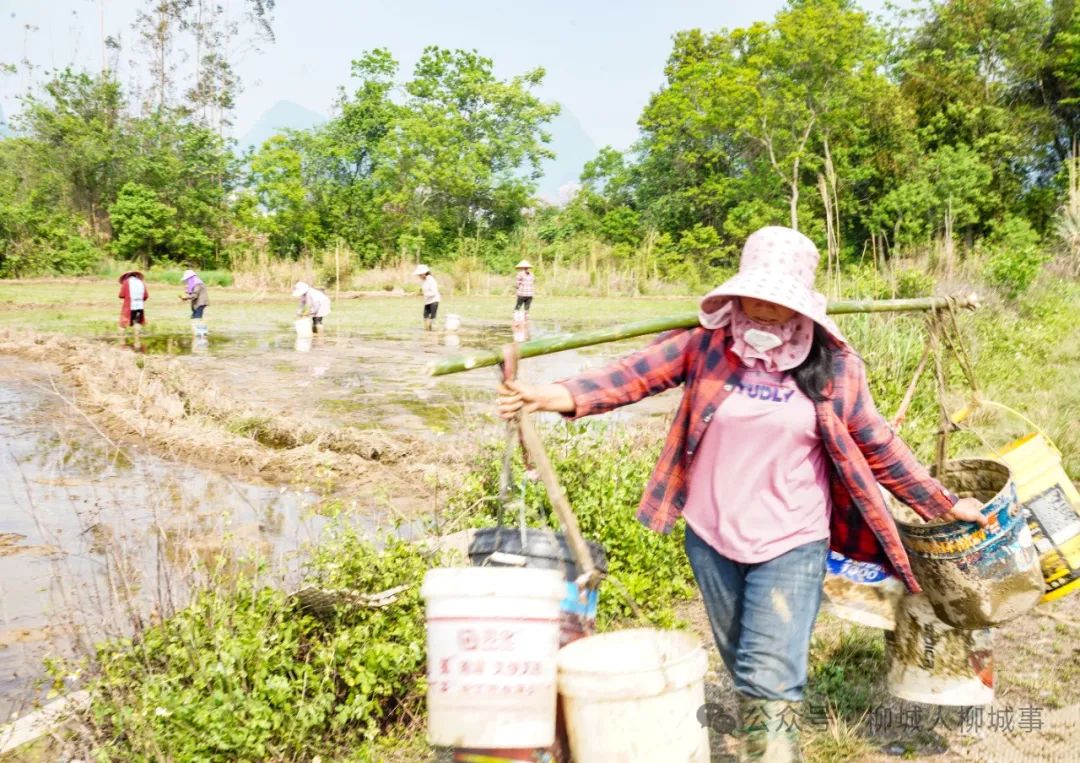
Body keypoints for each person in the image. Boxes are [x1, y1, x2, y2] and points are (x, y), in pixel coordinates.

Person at [497, 226, 986, 762]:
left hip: (793, 540)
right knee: (743, 665)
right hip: (710, 537)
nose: (765, 306)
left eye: (779, 297)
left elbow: (879, 444)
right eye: (756, 293)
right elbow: (629, 376)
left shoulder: (833, 365)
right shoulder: (706, 343)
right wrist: (548, 394)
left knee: (770, 675)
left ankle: (772, 752)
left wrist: (944, 504)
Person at [179, 268, 210, 336]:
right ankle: (199, 332)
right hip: (197, 303)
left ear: (190, 277)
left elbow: (194, 295)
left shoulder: (197, 283)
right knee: (194, 317)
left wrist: (185, 297)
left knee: (197, 318)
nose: (187, 281)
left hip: (201, 303)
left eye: (187, 279)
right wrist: (185, 296)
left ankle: (202, 333)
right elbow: (190, 292)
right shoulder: (193, 282)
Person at [118, 270, 149, 335]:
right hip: (140, 306)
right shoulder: (141, 282)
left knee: (123, 322)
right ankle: (137, 337)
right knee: (137, 322)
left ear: (127, 277)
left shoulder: (126, 282)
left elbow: (121, 295)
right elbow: (146, 296)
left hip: (130, 306)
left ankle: (121, 337)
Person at [415, 264, 440, 331]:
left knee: (432, 317)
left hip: (434, 300)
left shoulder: (431, 280)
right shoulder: (423, 280)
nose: (419, 276)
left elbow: (434, 292)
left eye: (420, 274)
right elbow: (424, 288)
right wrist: (420, 291)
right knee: (425, 316)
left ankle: (433, 330)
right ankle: (427, 330)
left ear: (424, 273)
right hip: (427, 301)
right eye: (418, 275)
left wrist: (424, 294)